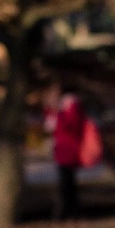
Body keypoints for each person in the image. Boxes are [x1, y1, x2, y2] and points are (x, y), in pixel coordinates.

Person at [47, 85, 101, 220]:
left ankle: (66, 212)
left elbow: (72, 125)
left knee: (66, 183)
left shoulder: (70, 106)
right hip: (62, 149)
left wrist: (58, 114)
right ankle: (69, 212)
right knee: (67, 182)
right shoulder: (62, 108)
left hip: (68, 149)